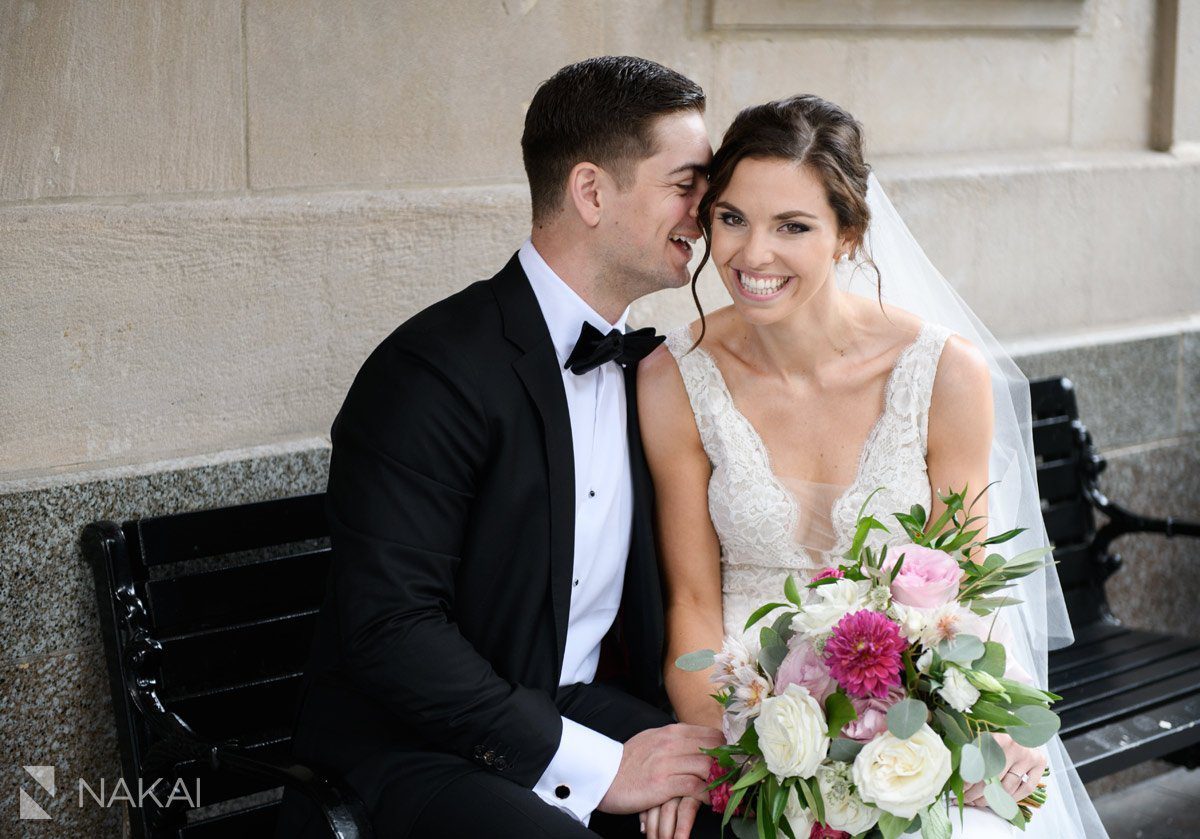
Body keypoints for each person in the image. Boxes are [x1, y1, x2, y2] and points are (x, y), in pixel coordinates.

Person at [274, 56, 725, 839]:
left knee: (760, 811)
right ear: (591, 192)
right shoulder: (432, 371)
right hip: (412, 748)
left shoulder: (653, 372)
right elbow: (392, 631)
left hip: (575, 704)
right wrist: (599, 765)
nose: (706, 209)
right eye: (687, 182)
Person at [637, 95, 1107, 837]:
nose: (751, 255)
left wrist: (952, 724)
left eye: (793, 226)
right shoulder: (674, 377)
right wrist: (722, 751)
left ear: (849, 235)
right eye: (732, 218)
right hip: (751, 719)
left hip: (917, 705)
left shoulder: (944, 373)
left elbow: (964, 589)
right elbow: (691, 605)